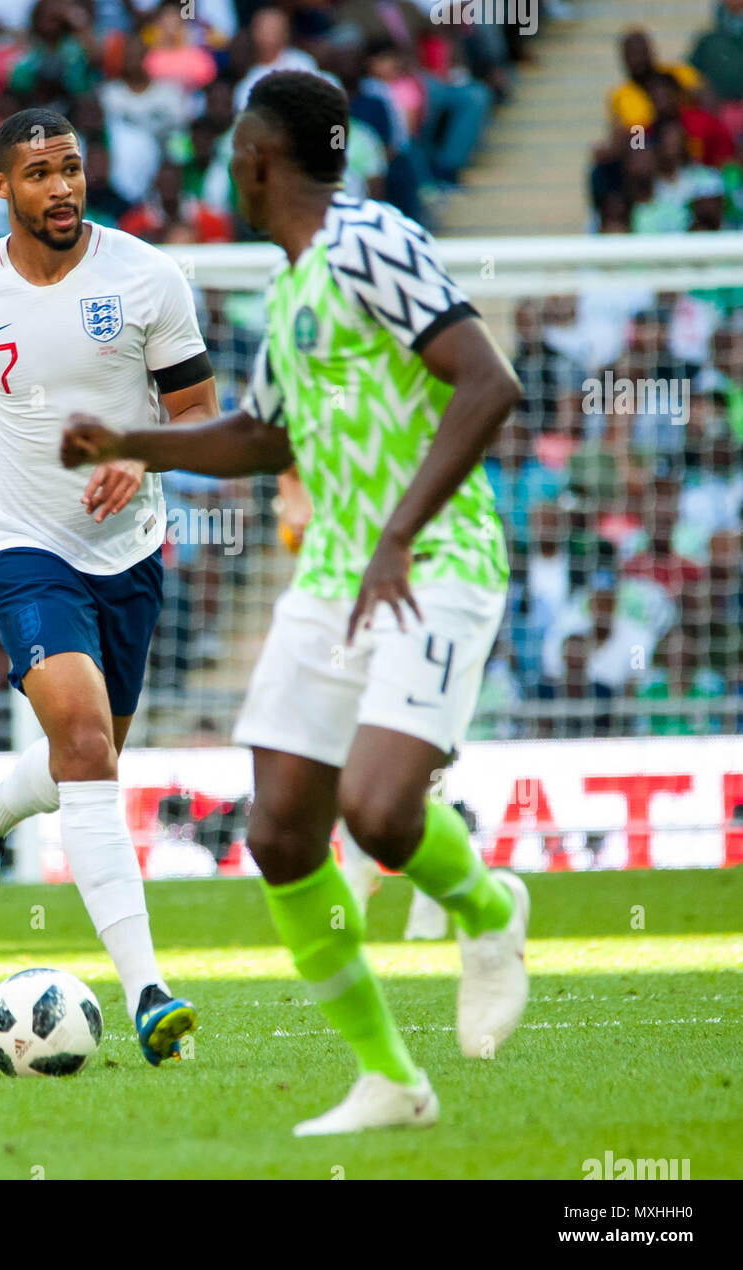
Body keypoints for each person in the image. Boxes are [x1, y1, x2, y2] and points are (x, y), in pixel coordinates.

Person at [62, 71, 529, 1134]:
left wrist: (398, 535)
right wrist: (132, 440)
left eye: (233, 154)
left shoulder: (372, 240)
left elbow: (487, 382)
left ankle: (491, 912)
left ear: (260, 159)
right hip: (334, 580)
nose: (227, 171)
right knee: (277, 832)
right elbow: (263, 438)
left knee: (378, 810)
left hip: (432, 562)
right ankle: (389, 1081)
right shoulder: (291, 288)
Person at [0, 107, 218, 1066]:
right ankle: (148, 992)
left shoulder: (149, 278)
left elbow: (199, 410)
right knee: (81, 739)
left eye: (71, 168)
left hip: (131, 554)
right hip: (22, 546)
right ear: (3, 189)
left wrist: (143, 455)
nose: (60, 187)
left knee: (88, 757)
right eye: (38, 174)